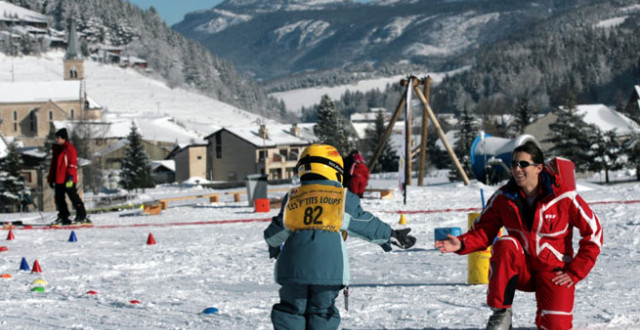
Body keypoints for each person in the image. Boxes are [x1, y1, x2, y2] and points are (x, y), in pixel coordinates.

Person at [435, 141, 602, 330]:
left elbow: (594, 233)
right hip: (522, 270)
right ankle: (501, 313)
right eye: (514, 164)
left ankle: (548, 315)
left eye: (523, 164)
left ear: (539, 168)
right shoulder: (503, 197)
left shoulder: (563, 196)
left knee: (556, 326)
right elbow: (483, 231)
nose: (517, 169)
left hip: (555, 273)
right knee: (506, 244)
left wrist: (574, 272)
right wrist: (461, 243)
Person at [264, 144, 416, 330]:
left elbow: (276, 231)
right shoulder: (342, 197)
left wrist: (274, 248)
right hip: (328, 271)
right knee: (322, 312)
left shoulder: (293, 197)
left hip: (292, 269)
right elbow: (364, 224)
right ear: (335, 168)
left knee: (290, 311)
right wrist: (391, 235)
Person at [47, 128, 89, 225]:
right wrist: (51, 179)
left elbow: (72, 164)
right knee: (59, 198)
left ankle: (82, 215)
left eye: (59, 137)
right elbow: (53, 166)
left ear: (64, 138)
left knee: (73, 197)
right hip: (59, 179)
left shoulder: (69, 149)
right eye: (56, 137)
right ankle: (63, 216)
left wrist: (70, 177)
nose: (57, 139)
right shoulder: (57, 150)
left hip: (68, 179)